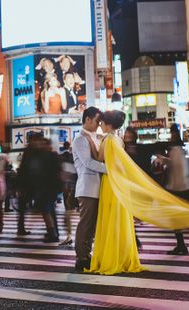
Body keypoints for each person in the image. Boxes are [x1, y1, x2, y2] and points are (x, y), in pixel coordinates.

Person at [87, 110, 145, 275]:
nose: (100, 125)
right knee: (119, 219)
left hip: (110, 183)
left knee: (110, 219)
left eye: (102, 123)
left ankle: (112, 258)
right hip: (120, 183)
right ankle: (122, 256)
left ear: (109, 124)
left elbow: (99, 158)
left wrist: (92, 143)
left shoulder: (108, 139)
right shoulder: (118, 140)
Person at [153, 126, 189, 255]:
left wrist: (163, 159)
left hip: (180, 190)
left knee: (182, 219)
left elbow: (177, 166)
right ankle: (183, 244)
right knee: (178, 219)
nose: (171, 137)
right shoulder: (178, 150)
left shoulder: (176, 150)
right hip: (181, 189)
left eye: (172, 135)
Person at [73, 107, 105, 272]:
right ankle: (81, 257)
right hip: (87, 188)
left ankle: (86, 254)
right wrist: (110, 168)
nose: (98, 125)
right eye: (97, 121)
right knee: (85, 225)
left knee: (91, 226)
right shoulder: (80, 139)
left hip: (95, 187)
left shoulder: (93, 137)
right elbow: (88, 163)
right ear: (87, 119)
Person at [32, 136, 63, 243]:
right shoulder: (52, 155)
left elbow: (39, 172)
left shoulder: (44, 156)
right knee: (50, 211)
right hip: (51, 187)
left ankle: (53, 234)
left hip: (45, 187)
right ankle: (54, 232)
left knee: (46, 211)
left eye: (42, 143)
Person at [60, 141, 77, 246]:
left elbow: (64, 174)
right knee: (69, 212)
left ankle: (69, 235)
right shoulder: (73, 156)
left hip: (68, 187)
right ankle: (69, 235)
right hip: (73, 186)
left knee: (68, 212)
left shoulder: (62, 157)